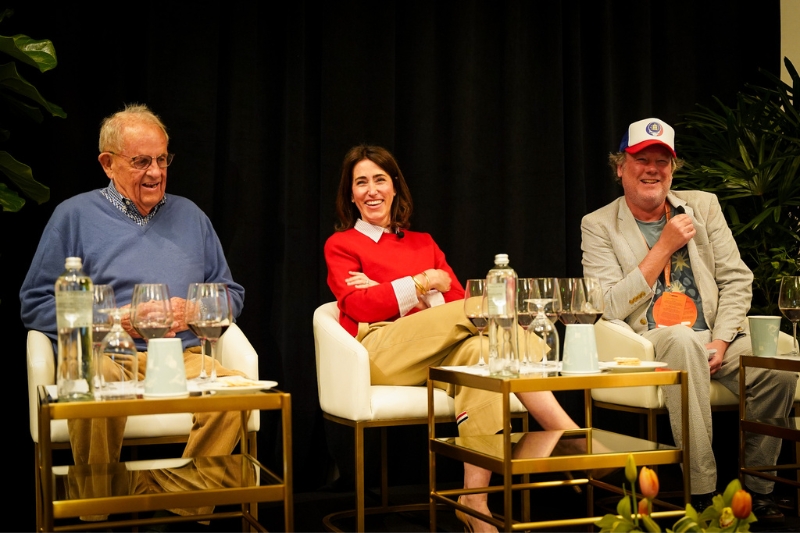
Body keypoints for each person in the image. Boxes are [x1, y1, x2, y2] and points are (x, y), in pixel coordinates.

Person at [324, 144, 579, 532]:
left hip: (435, 350)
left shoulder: (423, 242)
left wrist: (392, 290)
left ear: (395, 187)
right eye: (361, 183)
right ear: (350, 194)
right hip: (380, 352)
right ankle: (567, 432)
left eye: (380, 180)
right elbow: (361, 308)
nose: (371, 190)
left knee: (482, 353)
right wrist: (423, 282)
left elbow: (456, 298)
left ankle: (473, 504)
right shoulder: (341, 244)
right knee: (479, 309)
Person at [19, 103, 247, 517]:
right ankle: (102, 506)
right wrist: (112, 319)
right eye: (142, 161)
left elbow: (232, 292)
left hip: (183, 354)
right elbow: (35, 304)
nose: (156, 173)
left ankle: (150, 493)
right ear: (108, 164)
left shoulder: (191, 216)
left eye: (162, 160)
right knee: (97, 380)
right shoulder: (74, 216)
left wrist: (193, 310)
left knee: (235, 393)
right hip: (109, 352)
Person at [580, 117, 796, 522]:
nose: (653, 169)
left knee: (776, 365)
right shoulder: (598, 225)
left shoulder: (703, 207)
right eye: (642, 159)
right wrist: (663, 246)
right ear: (620, 168)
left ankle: (757, 490)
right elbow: (607, 305)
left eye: (663, 161)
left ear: (673, 169)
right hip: (651, 342)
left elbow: (736, 278)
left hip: (714, 337)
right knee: (680, 340)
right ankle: (703, 493)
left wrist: (723, 340)